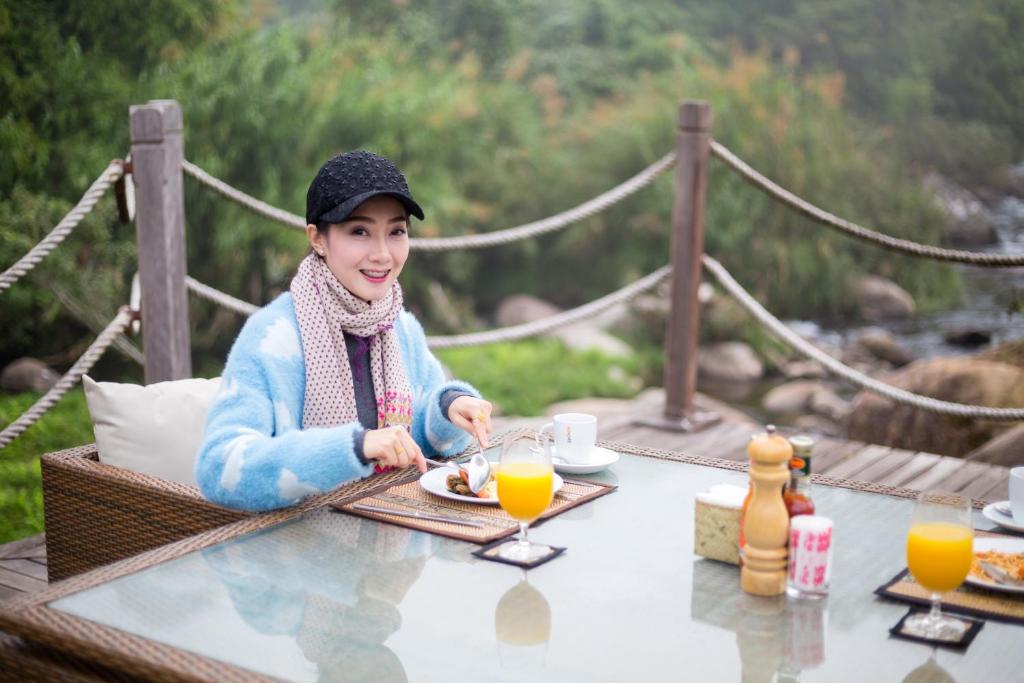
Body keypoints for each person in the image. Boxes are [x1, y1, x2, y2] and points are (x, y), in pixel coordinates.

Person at [196, 150, 492, 511]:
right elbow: (218, 468)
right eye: (359, 231)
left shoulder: (399, 325)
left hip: (393, 540)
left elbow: (418, 437)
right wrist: (353, 447)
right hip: (294, 549)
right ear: (318, 238)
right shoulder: (273, 336)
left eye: (396, 231)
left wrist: (449, 407)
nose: (382, 254)